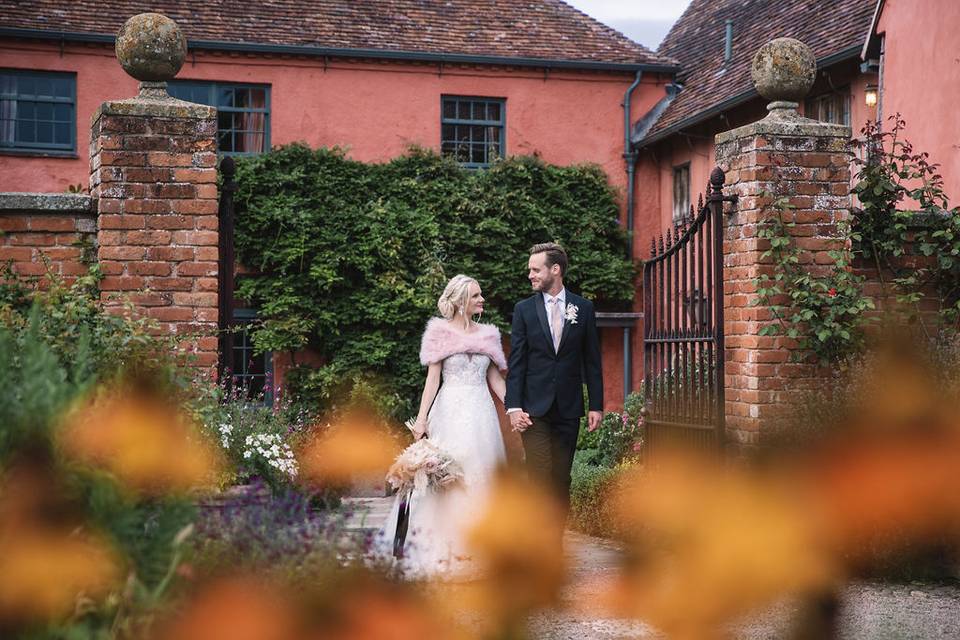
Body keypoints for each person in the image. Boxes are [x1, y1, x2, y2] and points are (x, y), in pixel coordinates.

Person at [374, 274, 507, 579]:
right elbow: (432, 381)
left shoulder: (489, 335)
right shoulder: (439, 333)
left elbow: (495, 381)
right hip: (448, 413)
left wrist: (514, 408)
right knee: (444, 479)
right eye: (476, 295)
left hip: (482, 417)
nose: (482, 300)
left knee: (483, 477)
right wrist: (420, 421)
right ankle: (436, 552)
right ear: (461, 301)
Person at [505, 242, 603, 517]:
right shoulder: (524, 310)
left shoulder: (583, 308)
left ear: (555, 269)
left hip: (568, 409)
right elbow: (517, 362)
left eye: (536, 270)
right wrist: (513, 407)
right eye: (530, 270)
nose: (531, 275)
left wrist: (596, 404)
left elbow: (592, 360)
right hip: (533, 411)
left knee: (561, 480)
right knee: (538, 478)